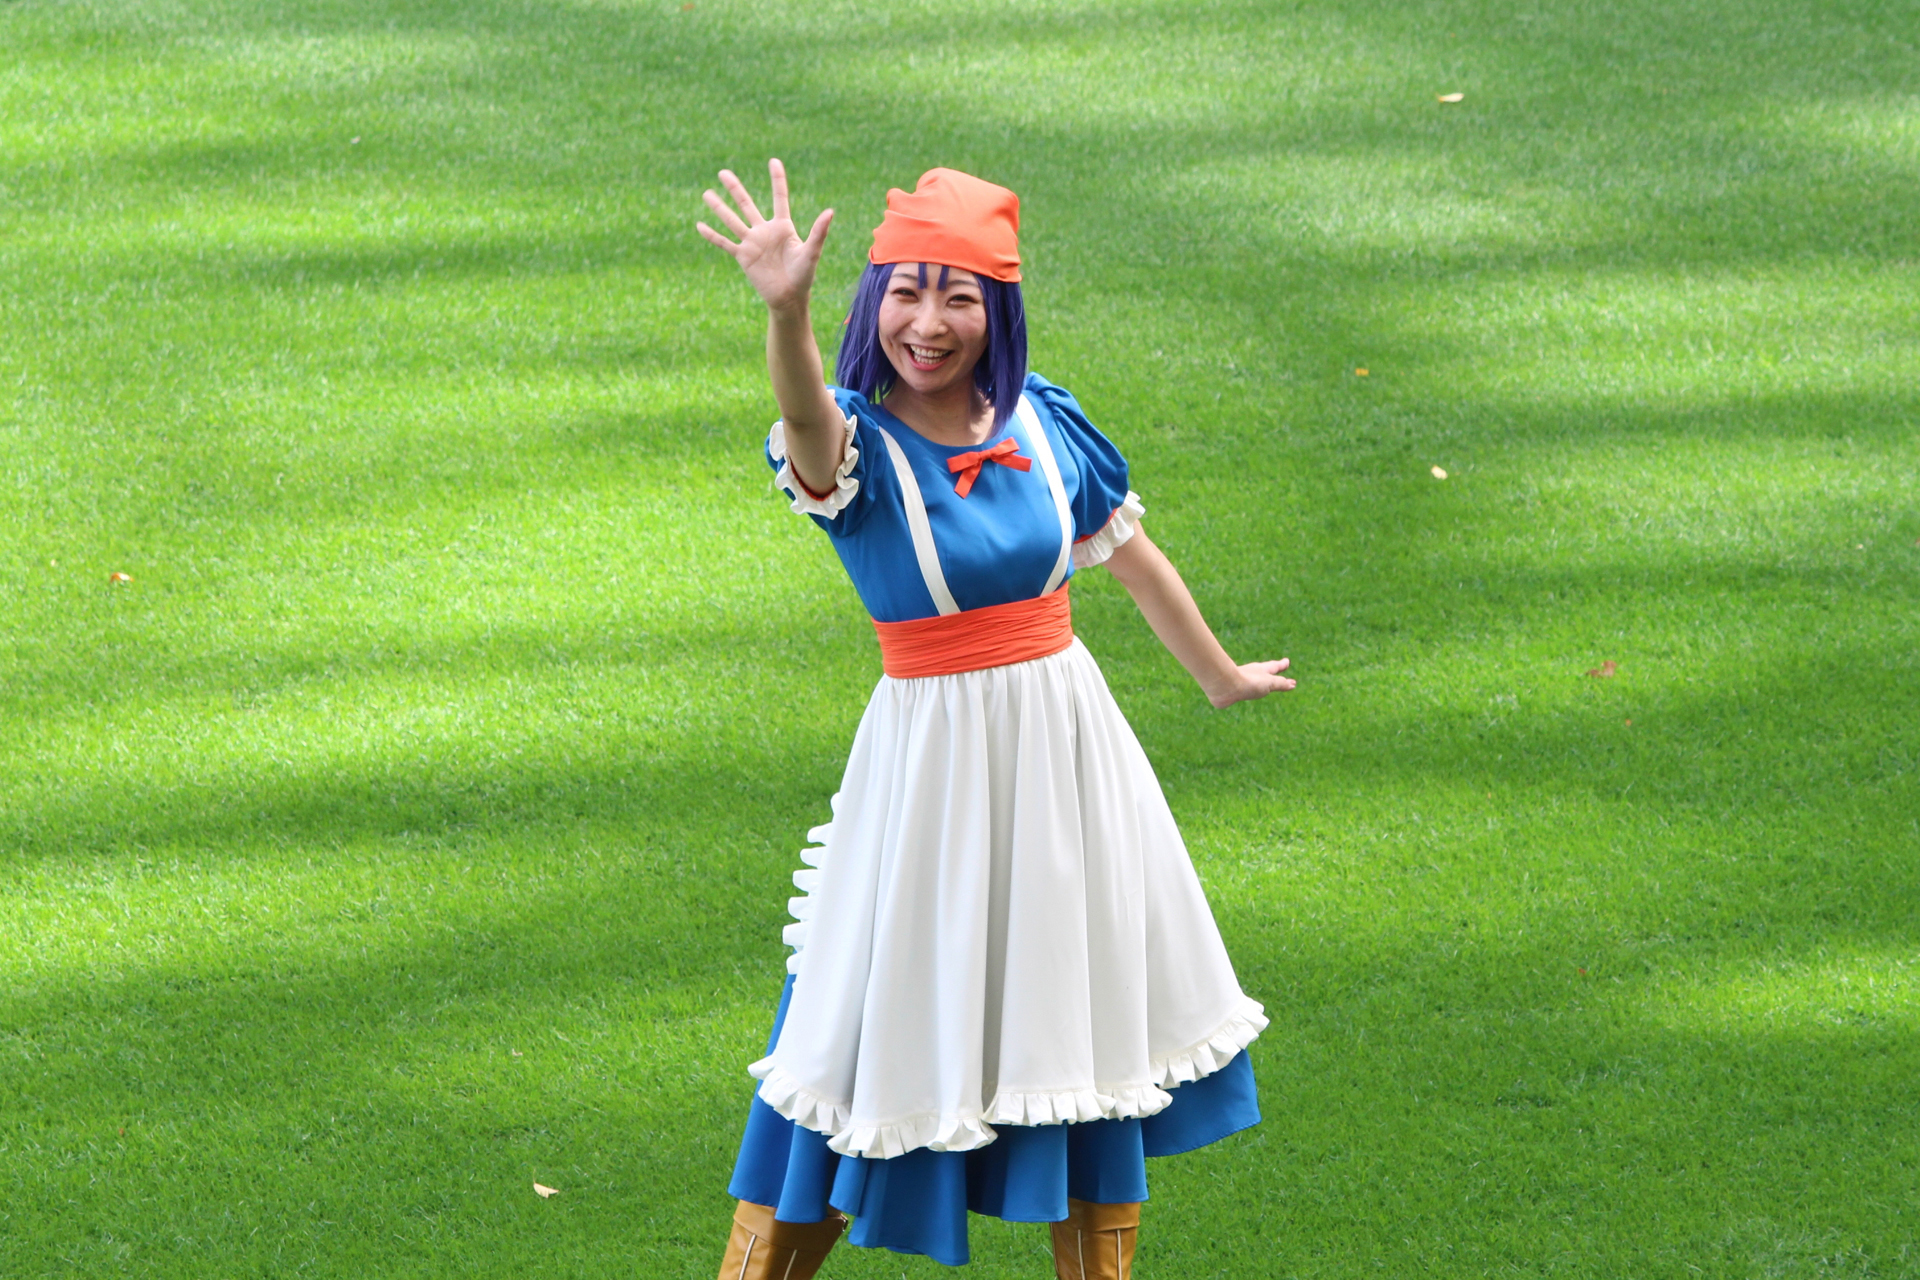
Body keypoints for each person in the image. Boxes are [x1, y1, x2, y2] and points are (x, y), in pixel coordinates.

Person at [695, 160, 1295, 1279]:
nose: (928, 324)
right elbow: (805, 419)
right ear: (872, 301)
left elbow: (1129, 553)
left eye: (959, 296)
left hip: (1069, 758)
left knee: (1084, 1017)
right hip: (931, 773)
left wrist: (1218, 676)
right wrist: (786, 313)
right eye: (906, 292)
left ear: (998, 310)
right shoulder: (855, 446)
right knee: (856, 1028)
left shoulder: (1043, 420)